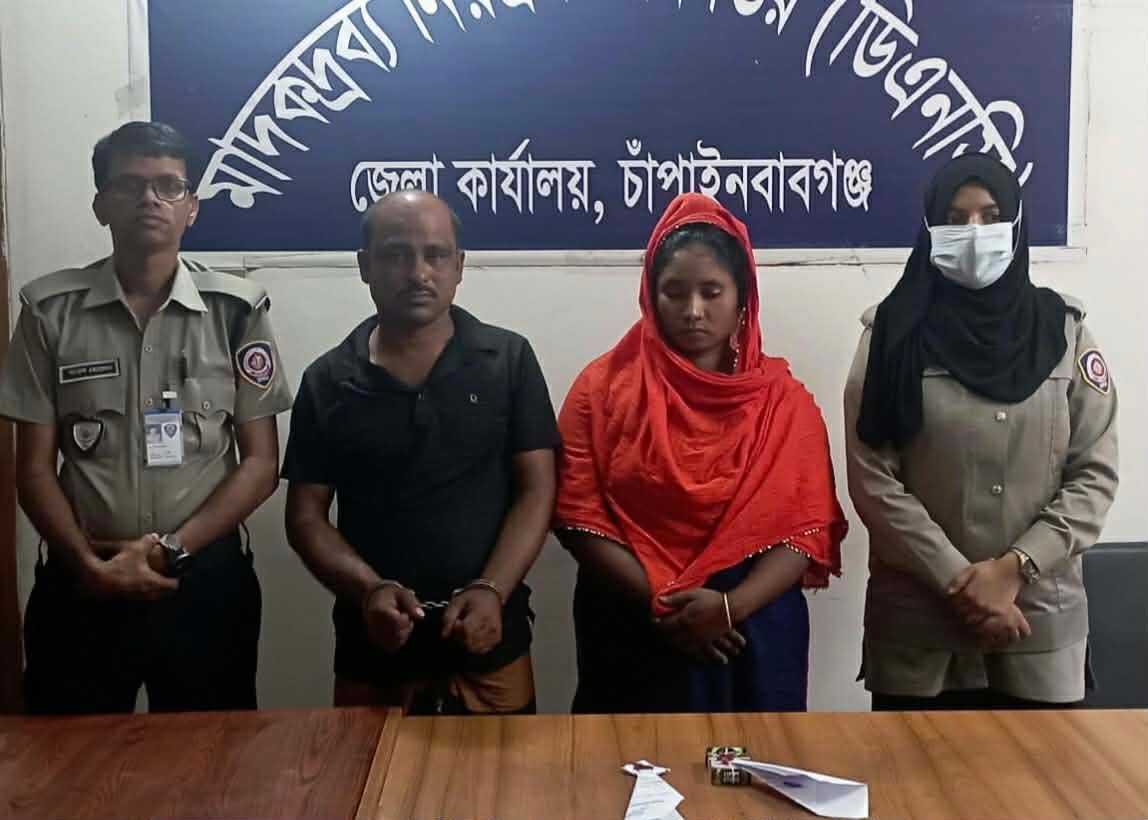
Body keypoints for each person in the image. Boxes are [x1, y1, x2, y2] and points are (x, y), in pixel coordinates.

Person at [0, 121, 293, 714]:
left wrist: (171, 549)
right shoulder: (49, 312)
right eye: (130, 185)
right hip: (83, 580)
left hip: (203, 582)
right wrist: (87, 565)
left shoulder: (235, 310)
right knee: (68, 760)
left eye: (168, 186)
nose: (150, 199)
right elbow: (31, 468)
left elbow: (261, 463)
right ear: (101, 205)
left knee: (210, 758)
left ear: (192, 207)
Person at [553, 193, 847, 713]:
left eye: (711, 292)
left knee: (756, 761)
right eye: (674, 292)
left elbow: (807, 527)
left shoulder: (784, 404)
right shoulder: (600, 391)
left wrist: (730, 608)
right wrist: (666, 603)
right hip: (633, 617)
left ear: (741, 299)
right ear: (651, 296)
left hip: (749, 625)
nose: (693, 311)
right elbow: (577, 515)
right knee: (628, 761)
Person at [845, 153, 1119, 710]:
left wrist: (1016, 569)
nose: (974, 233)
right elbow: (873, 481)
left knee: (1040, 772)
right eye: (956, 218)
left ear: (1016, 224)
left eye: (991, 216)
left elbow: (1094, 475)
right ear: (930, 227)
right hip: (919, 632)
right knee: (912, 770)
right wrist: (960, 581)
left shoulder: (1065, 334)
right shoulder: (890, 336)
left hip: (1038, 628)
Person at [282, 190, 558, 715]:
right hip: (375, 642)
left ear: (459, 265)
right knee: (370, 771)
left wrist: (493, 589)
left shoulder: (508, 359)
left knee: (508, 770)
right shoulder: (327, 380)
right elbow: (305, 517)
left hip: (490, 635)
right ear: (365, 265)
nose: (418, 273)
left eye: (435, 255)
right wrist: (369, 590)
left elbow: (538, 489)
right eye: (396, 255)